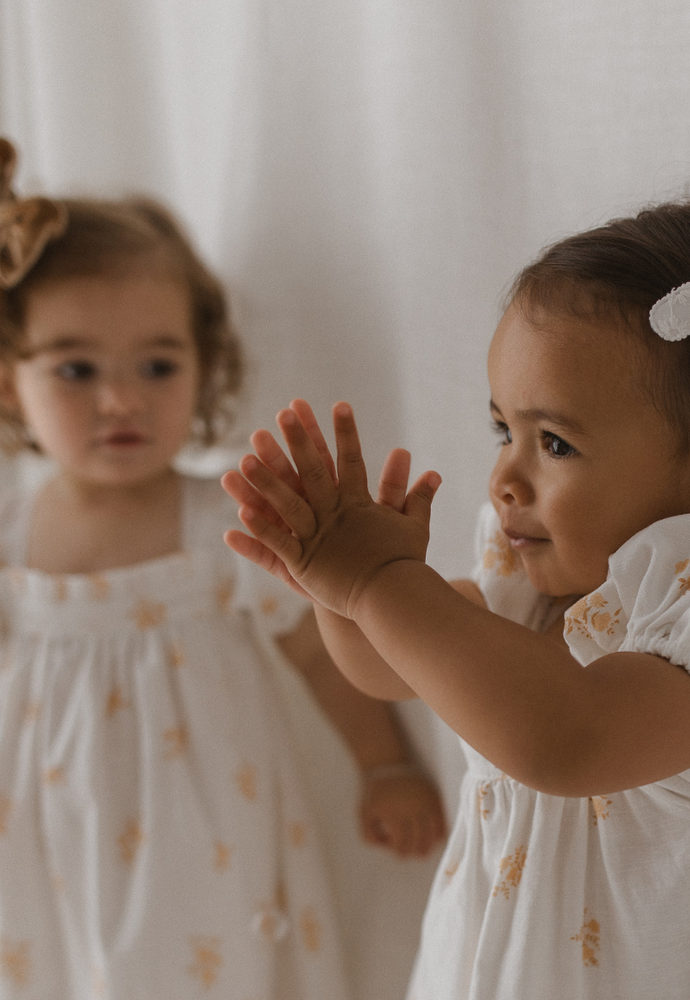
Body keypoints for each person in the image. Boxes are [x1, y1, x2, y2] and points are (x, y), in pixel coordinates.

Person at [222, 190, 690, 999]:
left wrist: (379, 582)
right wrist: (334, 585)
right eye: (502, 431)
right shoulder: (524, 588)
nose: (506, 477)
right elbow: (386, 671)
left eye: (554, 443)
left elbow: (565, 741)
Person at [0, 136, 445, 999]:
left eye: (158, 365)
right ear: (12, 384)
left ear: (203, 370)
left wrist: (382, 762)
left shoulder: (225, 520)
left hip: (203, 833)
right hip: (46, 833)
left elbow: (318, 650)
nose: (122, 399)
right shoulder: (12, 530)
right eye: (76, 369)